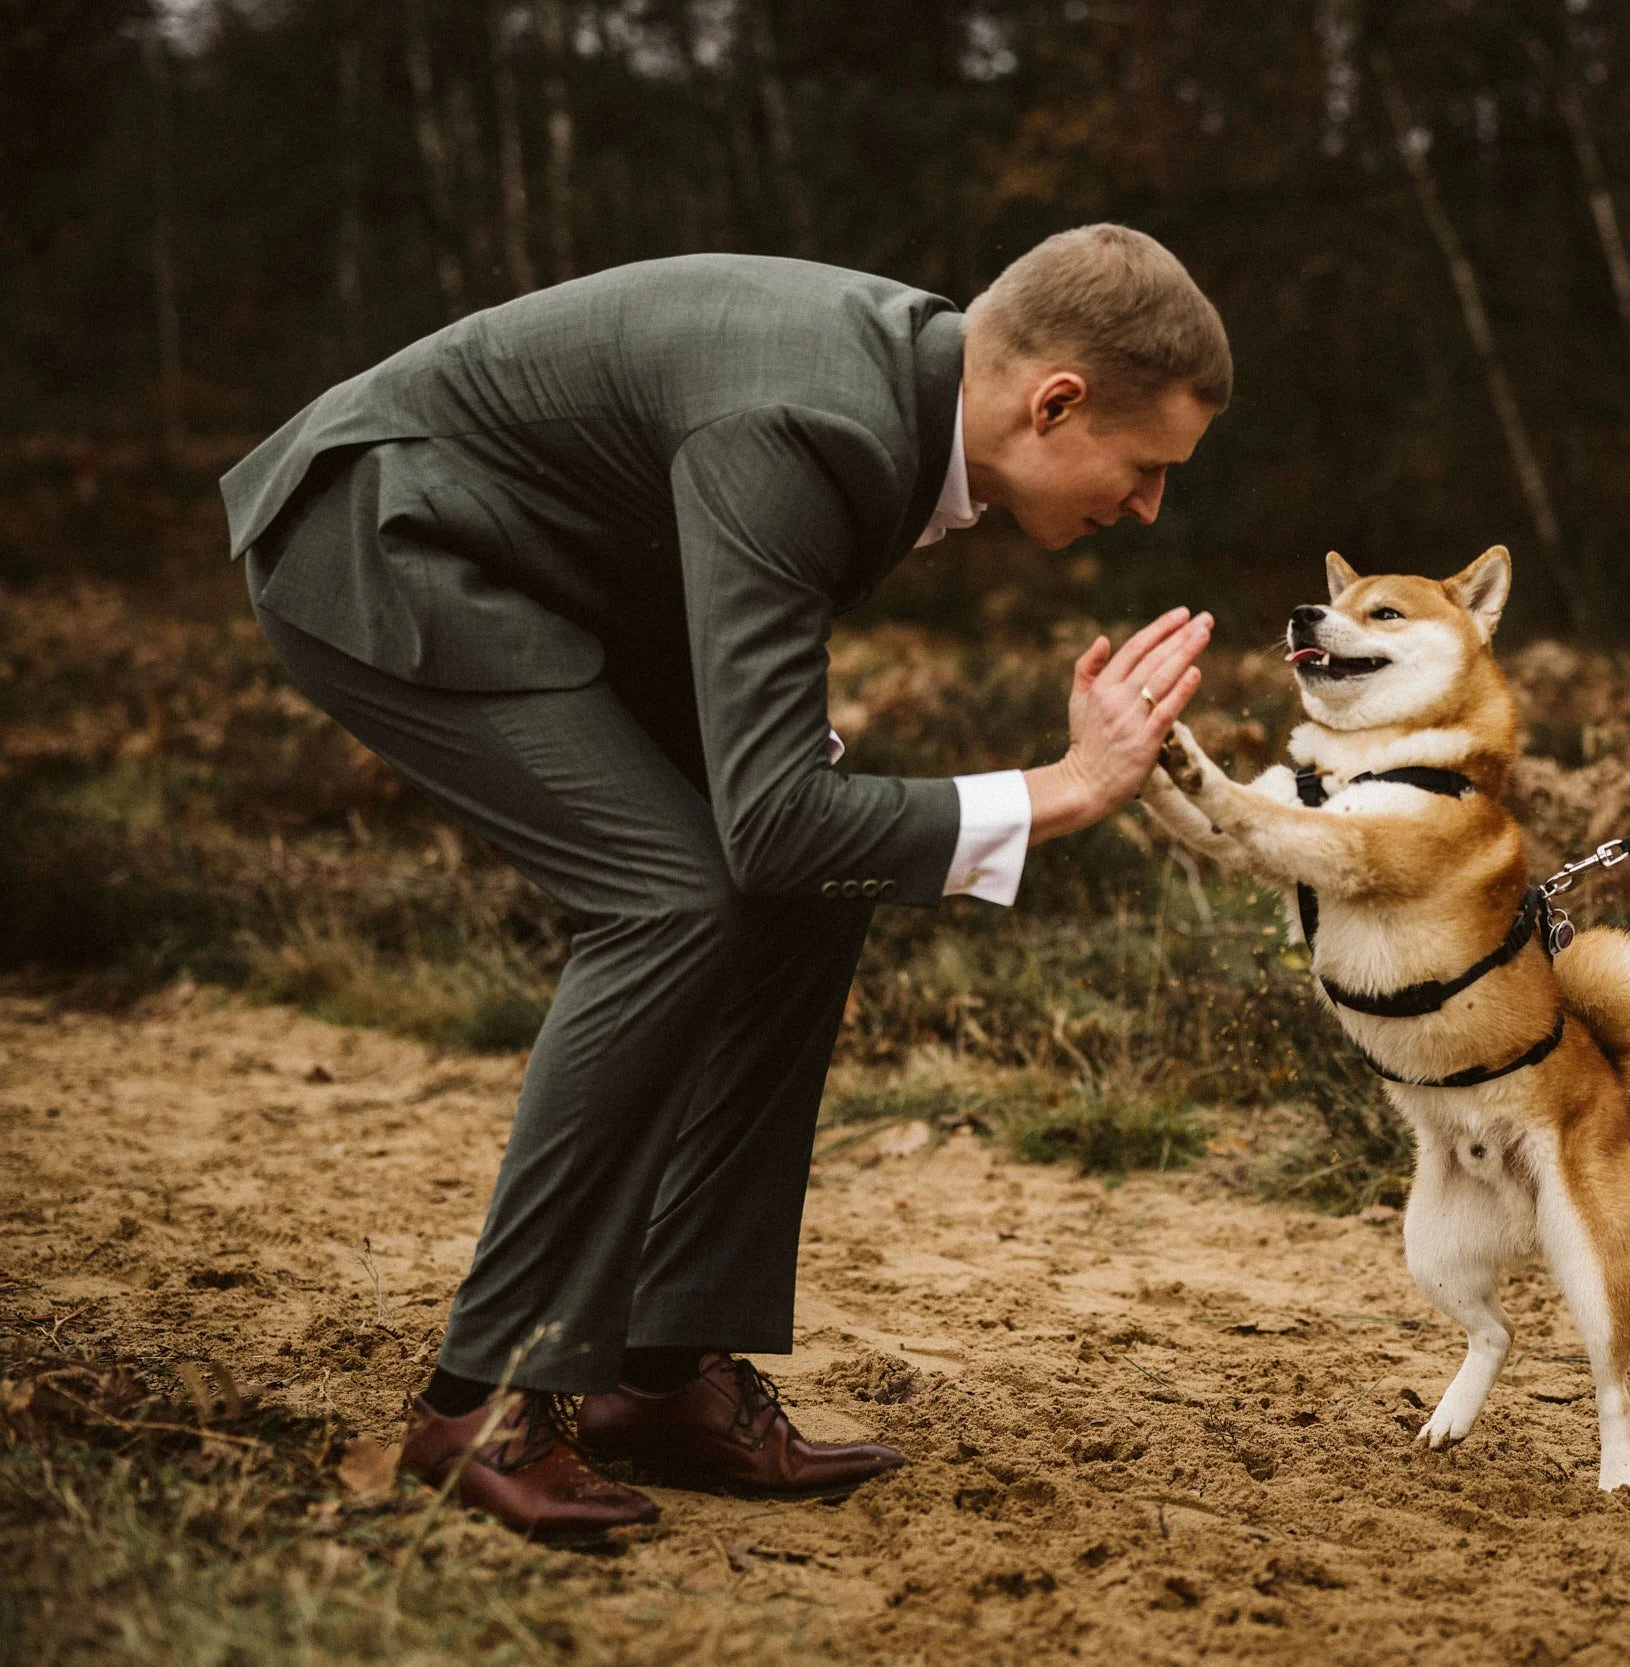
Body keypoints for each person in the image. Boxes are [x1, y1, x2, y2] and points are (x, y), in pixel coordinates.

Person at [221, 225, 1228, 1538]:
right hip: (386, 541)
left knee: (816, 879)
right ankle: (485, 1399)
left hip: (556, 576)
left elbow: (784, 798)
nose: (1150, 508)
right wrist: (1067, 789)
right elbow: (771, 821)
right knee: (667, 900)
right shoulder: (813, 424)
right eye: (1147, 468)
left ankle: (659, 1374)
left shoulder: (902, 402)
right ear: (1055, 403)